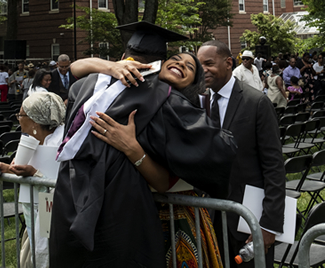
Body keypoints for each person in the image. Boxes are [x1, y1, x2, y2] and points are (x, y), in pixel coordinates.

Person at [50, 21, 236, 267]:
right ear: (158, 63)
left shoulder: (84, 88)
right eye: (176, 60)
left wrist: (132, 148)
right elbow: (221, 152)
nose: (180, 65)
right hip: (121, 211)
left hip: (69, 200)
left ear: (123, 56)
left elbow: (75, 68)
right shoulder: (164, 101)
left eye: (189, 66)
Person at [197, 40, 285, 268]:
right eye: (199, 64)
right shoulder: (199, 104)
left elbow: (274, 167)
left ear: (228, 63)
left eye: (209, 63)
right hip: (210, 220)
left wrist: (269, 225)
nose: (202, 69)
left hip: (247, 222)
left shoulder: (257, 103)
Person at [0, 92, 66, 268]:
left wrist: (35, 174)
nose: (18, 119)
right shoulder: (34, 140)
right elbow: (25, 170)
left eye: (21, 115)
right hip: (34, 206)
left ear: (35, 120)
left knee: (45, 253)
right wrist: (7, 168)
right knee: (34, 251)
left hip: (51, 210)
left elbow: (65, 183)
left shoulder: (62, 144)